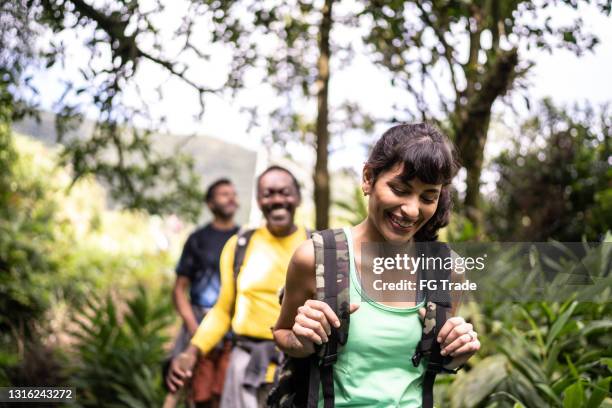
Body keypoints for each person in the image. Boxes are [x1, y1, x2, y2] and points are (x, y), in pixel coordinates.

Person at [273, 123, 480, 407]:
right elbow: (282, 333)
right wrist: (302, 340)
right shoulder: (316, 258)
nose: (411, 209)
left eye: (428, 197)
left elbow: (436, 359)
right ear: (369, 177)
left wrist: (456, 352)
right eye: (399, 189)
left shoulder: (446, 269)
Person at [167, 165, 309, 408]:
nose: (276, 200)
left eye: (284, 192)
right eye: (268, 194)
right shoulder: (240, 245)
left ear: (297, 197)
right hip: (242, 369)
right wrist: (193, 351)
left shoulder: (314, 247)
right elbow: (223, 310)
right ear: (258, 200)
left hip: (297, 369)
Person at [168, 178, 240, 408]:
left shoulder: (245, 239)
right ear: (210, 203)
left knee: (224, 393)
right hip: (199, 322)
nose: (231, 198)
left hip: (233, 329)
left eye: (233, 193)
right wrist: (193, 327)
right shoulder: (197, 239)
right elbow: (179, 290)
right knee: (188, 391)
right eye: (223, 194)